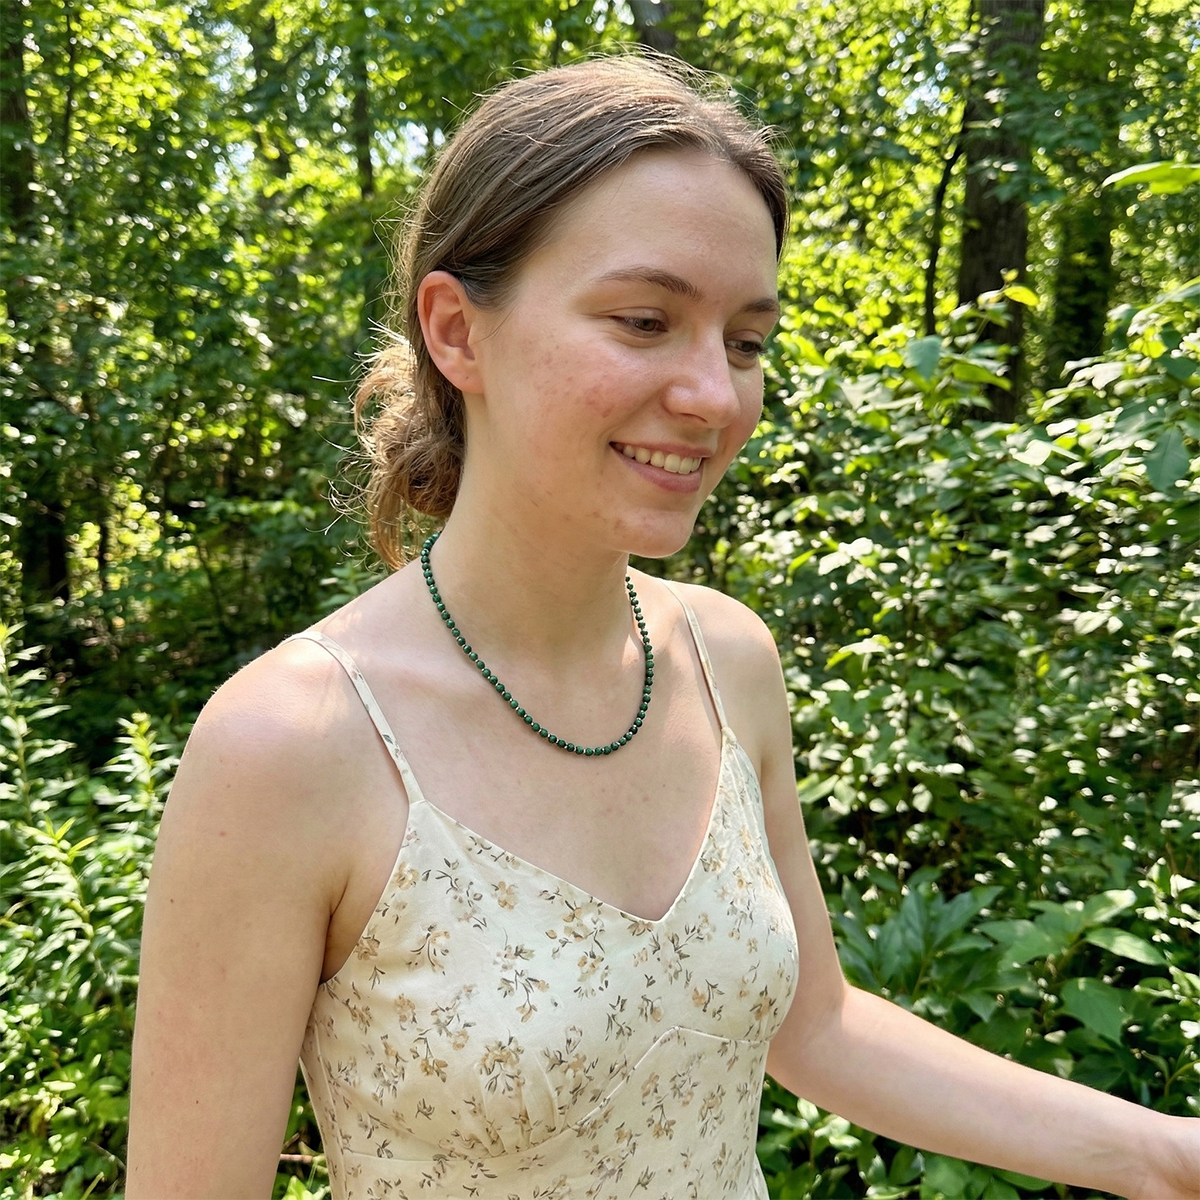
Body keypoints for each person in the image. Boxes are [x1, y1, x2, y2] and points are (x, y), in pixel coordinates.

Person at [127, 53, 1199, 1200]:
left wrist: (1163, 1156)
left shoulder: (725, 661)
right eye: (646, 321)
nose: (713, 394)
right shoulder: (293, 745)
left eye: (746, 342)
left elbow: (817, 1026)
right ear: (458, 332)